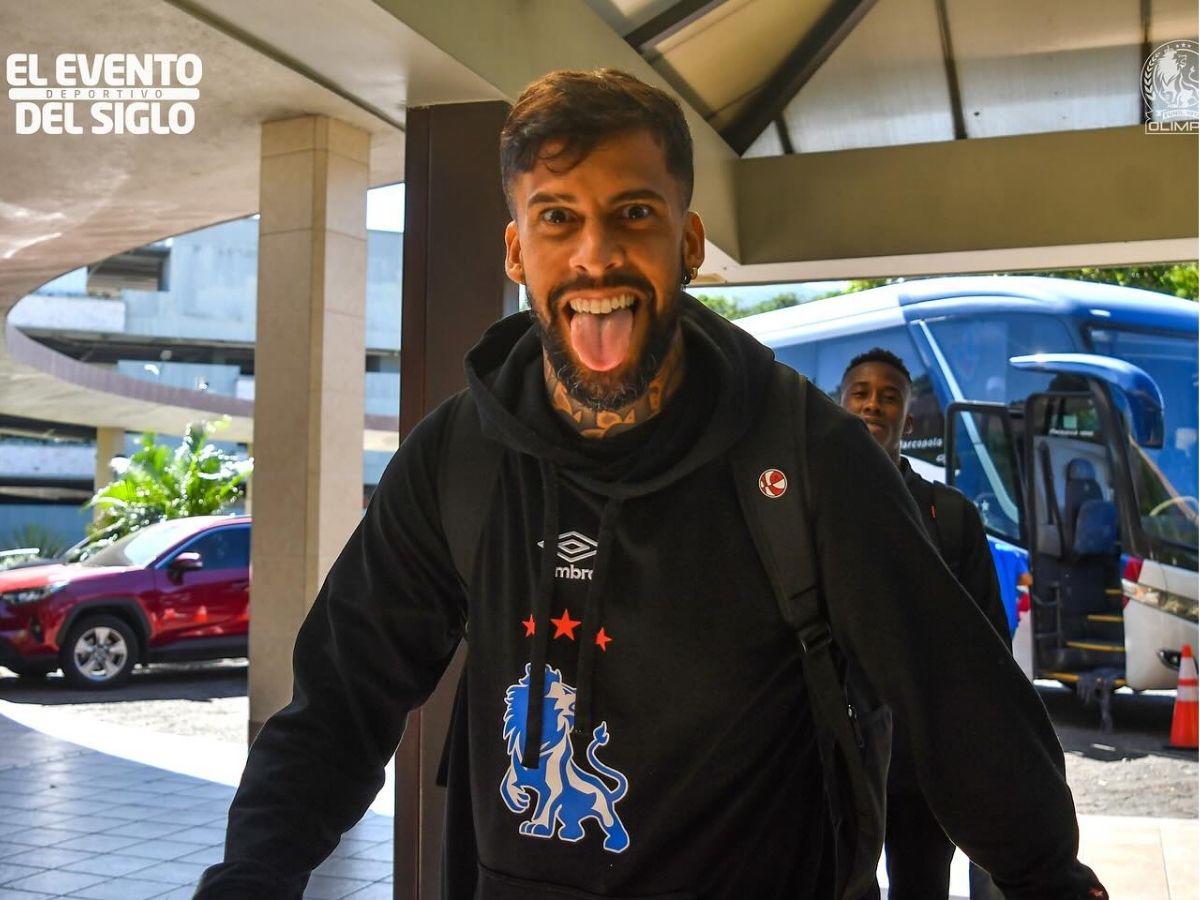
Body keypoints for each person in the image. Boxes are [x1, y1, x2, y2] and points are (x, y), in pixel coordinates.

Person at [195, 69, 1106, 899]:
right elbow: (339, 702)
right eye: (557, 218)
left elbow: (958, 700)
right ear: (516, 251)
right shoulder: (459, 458)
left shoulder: (805, 455)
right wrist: (251, 876)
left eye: (633, 213)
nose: (596, 255)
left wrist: (1047, 877)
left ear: (689, 242)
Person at [839, 348, 1012, 900]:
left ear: (908, 422)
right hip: (830, 761)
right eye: (861, 393)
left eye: (889, 397)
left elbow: (991, 649)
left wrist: (984, 750)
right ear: (839, 408)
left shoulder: (951, 516)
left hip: (921, 766)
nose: (873, 405)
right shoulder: (804, 511)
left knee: (920, 887)